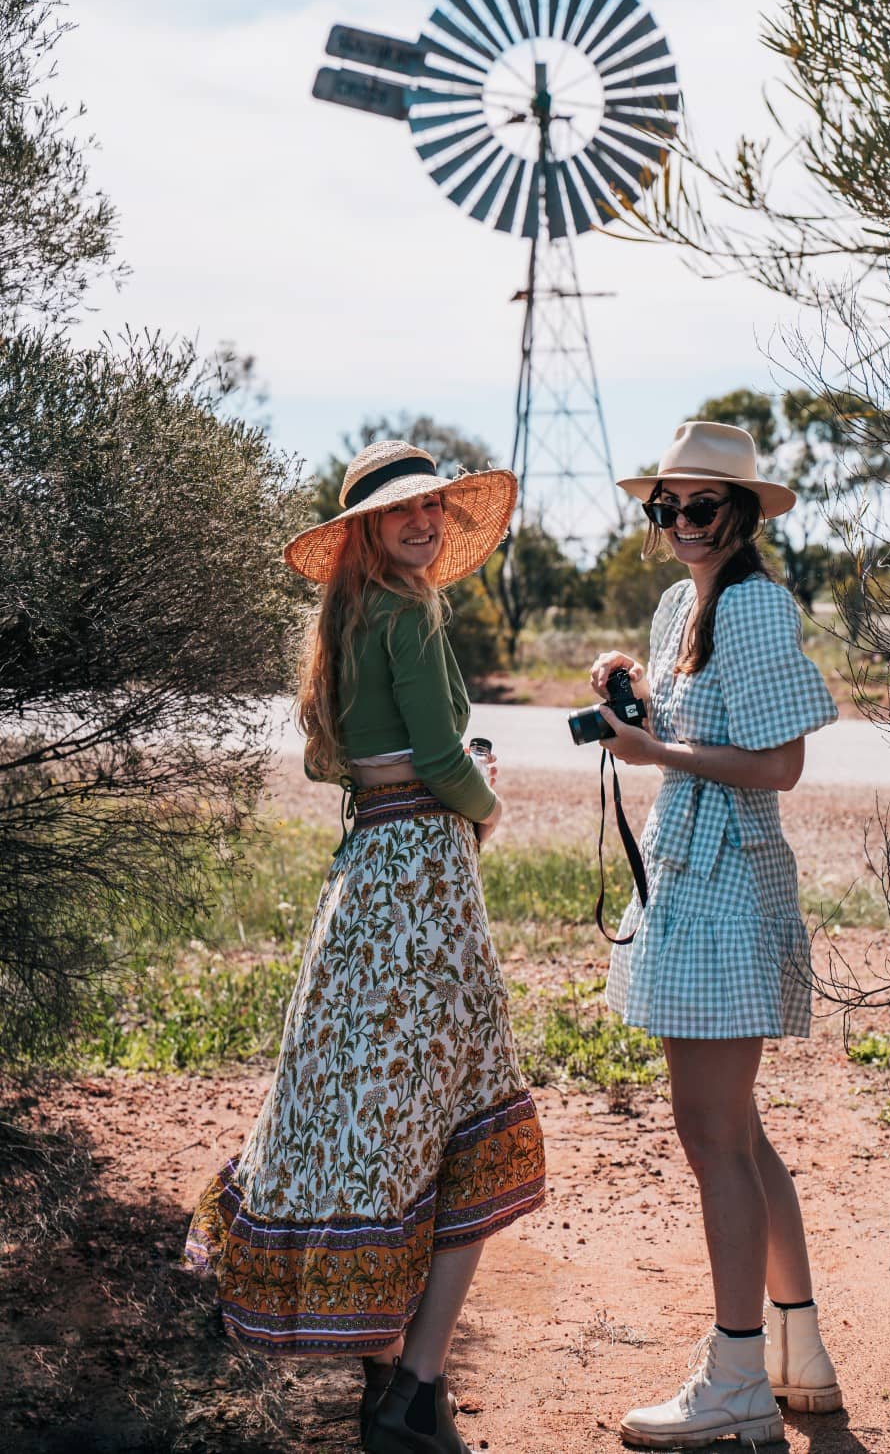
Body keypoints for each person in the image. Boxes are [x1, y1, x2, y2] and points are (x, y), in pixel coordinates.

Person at [185, 439, 546, 1454]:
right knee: (465, 1119)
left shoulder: (344, 621)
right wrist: (485, 803)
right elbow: (437, 754)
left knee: (378, 1124)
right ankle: (414, 1389)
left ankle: (388, 1381)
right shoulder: (415, 609)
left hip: (363, 876)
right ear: (367, 534)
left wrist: (425, 782)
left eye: (432, 511)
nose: (424, 526)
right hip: (424, 873)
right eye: (402, 516)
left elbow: (332, 762)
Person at [588, 421, 842, 1449]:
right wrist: (636, 700)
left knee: (712, 1141)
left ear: (741, 515)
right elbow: (700, 731)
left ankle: (736, 1383)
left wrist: (657, 751)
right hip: (690, 886)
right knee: (737, 1135)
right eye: (667, 507)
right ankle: (794, 1355)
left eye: (702, 507)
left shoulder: (751, 604)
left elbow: (777, 767)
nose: (683, 523)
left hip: (729, 887)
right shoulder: (673, 609)